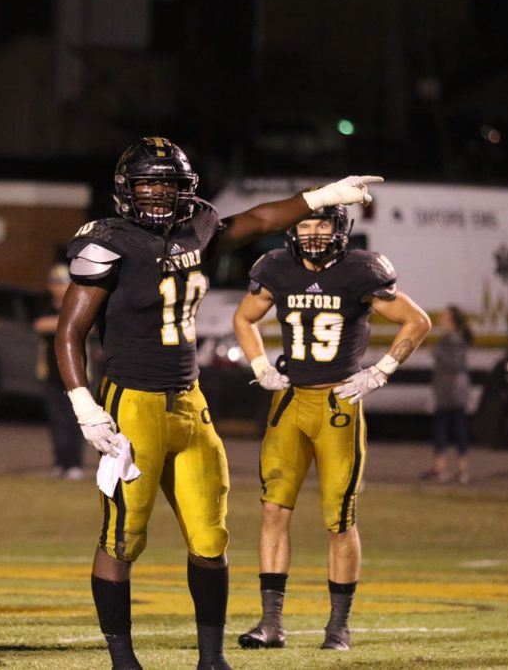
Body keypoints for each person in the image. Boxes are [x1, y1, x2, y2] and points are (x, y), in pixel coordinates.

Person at [56, 135, 381, 669]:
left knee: (211, 535)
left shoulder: (196, 227)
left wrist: (319, 197)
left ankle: (211, 659)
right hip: (132, 403)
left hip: (189, 402)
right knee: (123, 536)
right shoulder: (107, 241)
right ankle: (123, 661)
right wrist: (83, 403)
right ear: (126, 190)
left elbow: (252, 221)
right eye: (148, 183)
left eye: (169, 183)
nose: (159, 193)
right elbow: (69, 332)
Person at [232, 204, 430, 652]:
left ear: (340, 228)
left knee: (339, 519)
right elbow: (244, 318)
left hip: (338, 403)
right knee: (273, 509)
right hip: (289, 401)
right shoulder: (276, 268)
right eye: (305, 223)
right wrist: (261, 365)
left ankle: (338, 626)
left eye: (323, 223)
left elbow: (417, 321)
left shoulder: (360, 270)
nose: (314, 232)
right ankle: (270, 623)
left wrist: (380, 371)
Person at [34, 263, 85, 479]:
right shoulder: (46, 305)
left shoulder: (79, 303)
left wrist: (59, 324)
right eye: (55, 284)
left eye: (62, 283)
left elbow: (83, 325)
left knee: (76, 419)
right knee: (57, 421)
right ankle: (60, 463)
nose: (58, 288)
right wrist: (65, 324)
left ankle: (74, 464)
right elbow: (39, 325)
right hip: (52, 373)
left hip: (76, 374)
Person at [422, 306, 473, 483]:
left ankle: (457, 469)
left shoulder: (455, 339)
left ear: (452, 320)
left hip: (452, 392)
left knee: (449, 429)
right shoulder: (450, 338)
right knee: (449, 428)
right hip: (448, 391)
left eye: (445, 316)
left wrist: (435, 352)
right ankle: (443, 467)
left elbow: (456, 362)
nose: (441, 318)